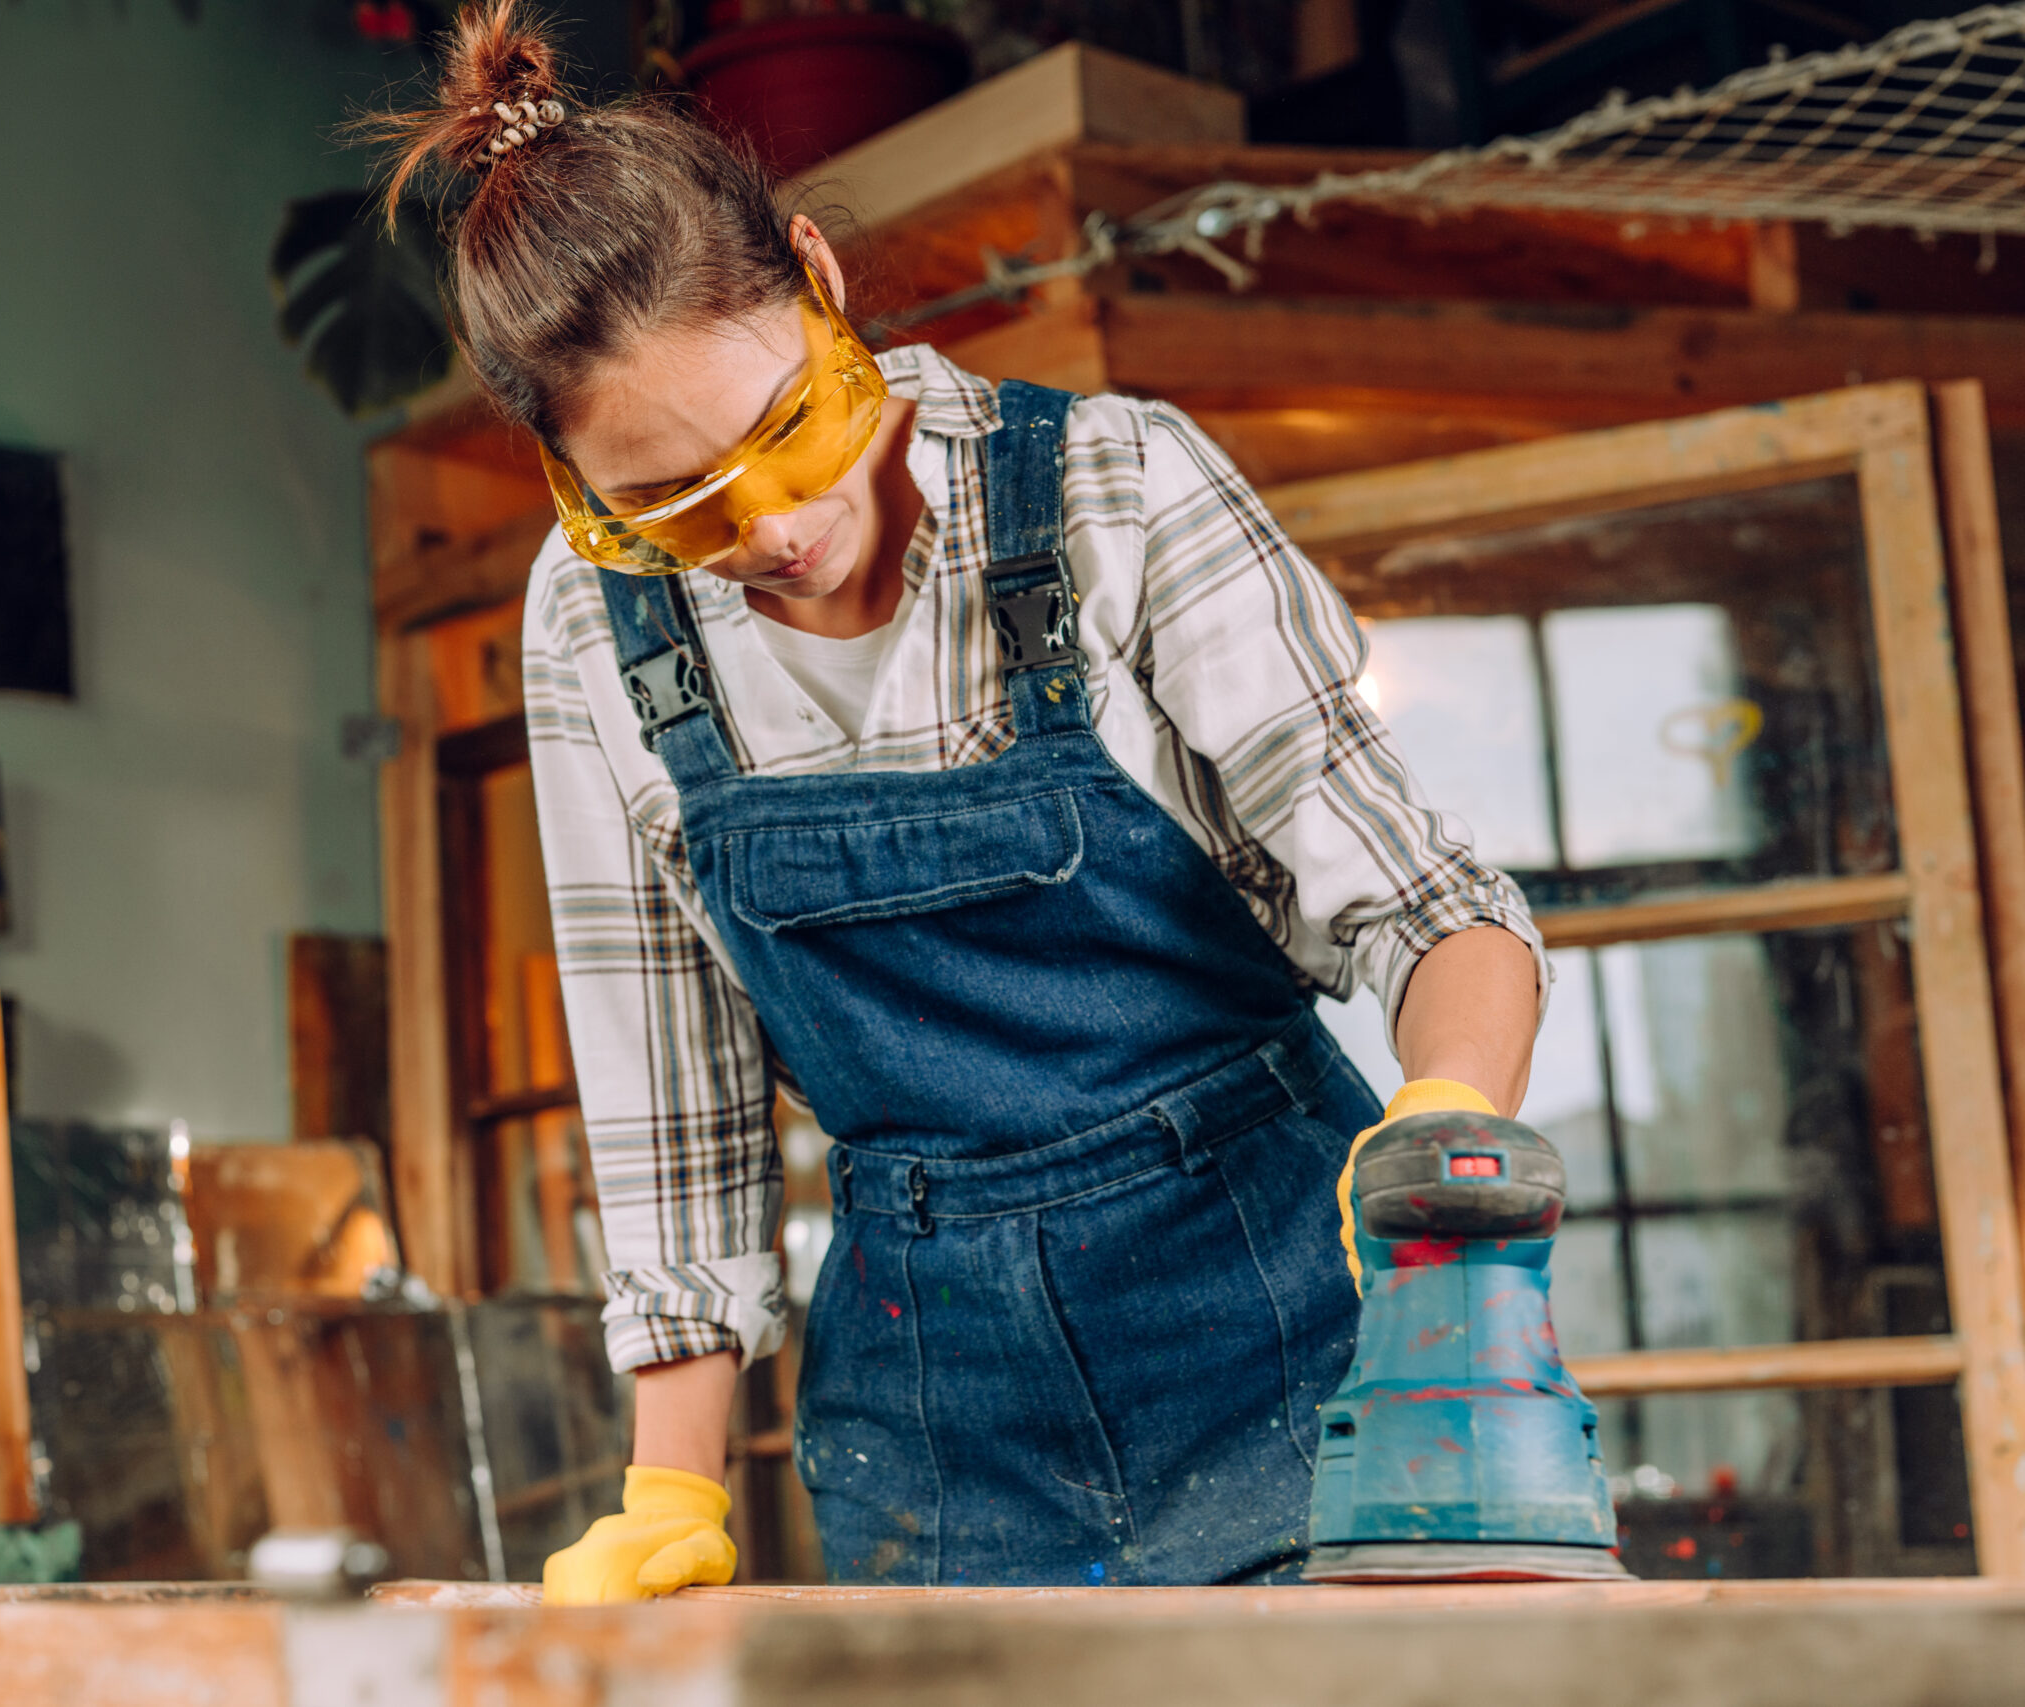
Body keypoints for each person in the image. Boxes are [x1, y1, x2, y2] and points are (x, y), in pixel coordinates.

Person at [373, 1, 1545, 1599]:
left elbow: (1429, 911)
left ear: (821, 278)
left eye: (788, 433)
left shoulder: (1110, 490)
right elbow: (672, 1099)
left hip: (1299, 1329)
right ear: (571, 482)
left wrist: (1450, 1116)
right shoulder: (593, 620)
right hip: (939, 1425)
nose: (774, 531)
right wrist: (671, 1491)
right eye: (670, 507)